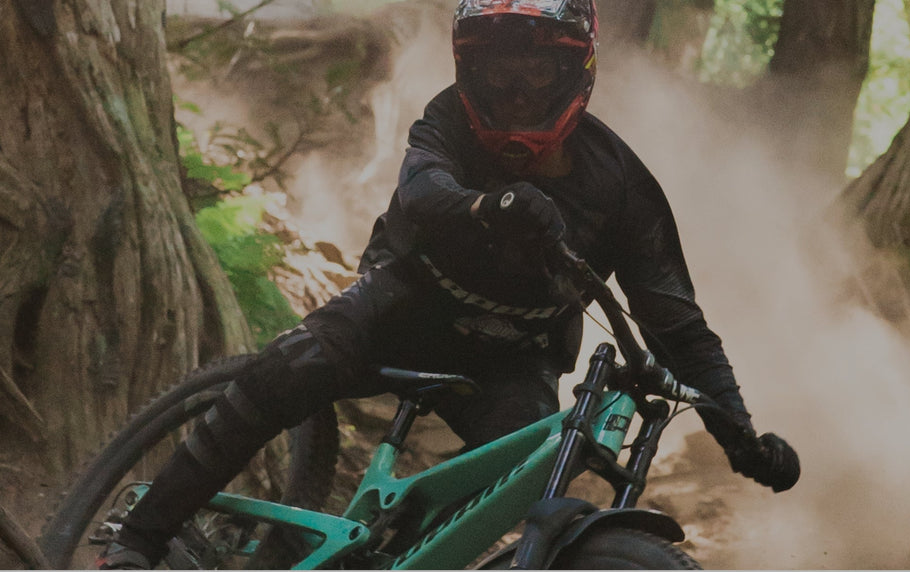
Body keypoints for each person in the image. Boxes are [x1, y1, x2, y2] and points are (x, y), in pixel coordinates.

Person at [96, 0, 799, 567]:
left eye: (536, 73)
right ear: (467, 70)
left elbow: (677, 327)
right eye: (497, 74)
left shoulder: (621, 187)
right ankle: (138, 537)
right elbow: (422, 189)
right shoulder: (446, 121)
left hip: (515, 357)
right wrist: (489, 205)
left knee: (527, 462)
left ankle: (391, 548)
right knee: (288, 366)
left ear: (577, 70)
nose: (515, 94)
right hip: (402, 304)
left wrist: (739, 437)